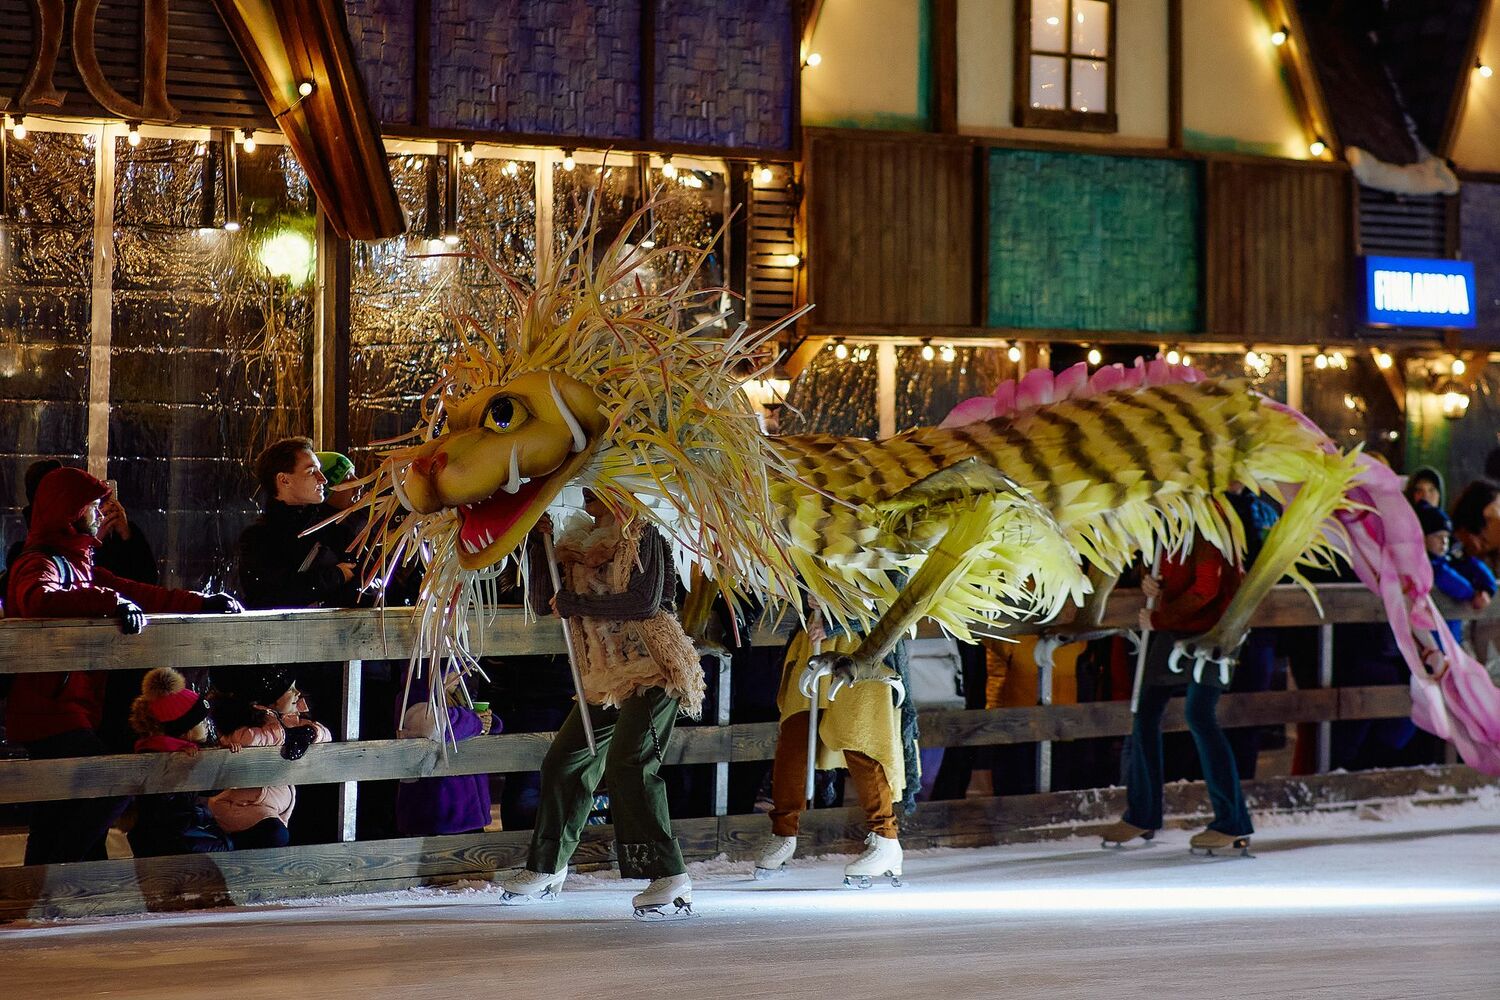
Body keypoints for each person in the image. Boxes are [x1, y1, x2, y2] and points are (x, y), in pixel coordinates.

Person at [2, 466, 241, 864]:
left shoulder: (80, 564)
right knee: (115, 782)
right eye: (92, 506)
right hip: (50, 710)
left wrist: (201, 601)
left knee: (55, 809)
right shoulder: (40, 562)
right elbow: (37, 599)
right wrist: (109, 602)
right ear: (71, 511)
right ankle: (58, 873)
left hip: (67, 708)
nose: (99, 514)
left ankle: (41, 884)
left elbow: (142, 592)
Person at [497, 492, 705, 918]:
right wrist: (537, 544)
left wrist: (578, 604)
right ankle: (547, 865)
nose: (589, 493)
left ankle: (669, 872)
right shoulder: (576, 542)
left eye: (597, 485)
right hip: (603, 673)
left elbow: (645, 602)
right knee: (564, 761)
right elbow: (545, 602)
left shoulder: (645, 534)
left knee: (629, 763)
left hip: (653, 667)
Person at [1097, 530, 1254, 855]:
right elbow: (1172, 571)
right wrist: (1154, 584)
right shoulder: (1170, 524)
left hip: (1216, 630)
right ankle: (1142, 813)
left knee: (1199, 715)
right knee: (1145, 712)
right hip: (1177, 627)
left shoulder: (1206, 525)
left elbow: (1206, 588)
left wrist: (1160, 617)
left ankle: (1233, 821)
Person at [752, 615, 910, 887]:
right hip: (812, 644)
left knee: (861, 741)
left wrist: (835, 623)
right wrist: (808, 599)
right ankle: (783, 833)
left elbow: (892, 605)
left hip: (863, 648)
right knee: (793, 742)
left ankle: (886, 838)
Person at [208, 667, 332, 850]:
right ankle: (223, 847)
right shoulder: (254, 718)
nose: (298, 693)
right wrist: (284, 736)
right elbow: (245, 739)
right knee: (276, 834)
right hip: (242, 804)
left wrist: (310, 733)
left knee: (278, 840)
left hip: (274, 805)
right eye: (290, 689)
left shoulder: (292, 718)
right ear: (272, 700)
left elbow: (326, 735)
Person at [238, 438, 360, 610]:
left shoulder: (335, 529)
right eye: (311, 472)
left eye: (320, 470)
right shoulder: (257, 539)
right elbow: (269, 596)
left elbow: (368, 582)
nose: (323, 479)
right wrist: (335, 576)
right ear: (284, 480)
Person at [127, 667, 233, 857]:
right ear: (186, 730)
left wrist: (224, 755)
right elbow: (164, 809)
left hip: (178, 832)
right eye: (201, 722)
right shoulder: (159, 756)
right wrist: (189, 766)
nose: (207, 726)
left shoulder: (187, 751)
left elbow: (212, 789)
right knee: (225, 850)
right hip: (165, 839)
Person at [394, 673, 496, 837]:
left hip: (464, 809)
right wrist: (475, 722)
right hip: (440, 809)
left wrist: (486, 723)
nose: (459, 676)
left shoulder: (458, 697)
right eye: (453, 670)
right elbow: (435, 726)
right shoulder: (418, 697)